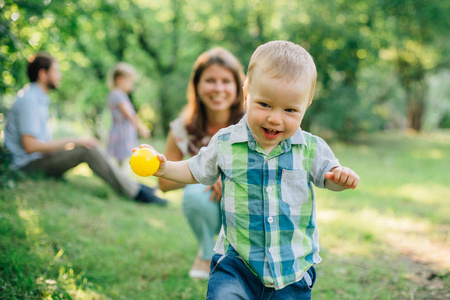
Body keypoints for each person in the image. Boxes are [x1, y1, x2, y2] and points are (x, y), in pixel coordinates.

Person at [137, 40, 360, 299]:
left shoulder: (311, 148)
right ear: (246, 95)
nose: (275, 118)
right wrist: (163, 166)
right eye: (264, 105)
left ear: (306, 103)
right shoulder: (226, 143)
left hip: (291, 268)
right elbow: (194, 170)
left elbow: (328, 176)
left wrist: (339, 178)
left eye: (290, 110)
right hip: (237, 264)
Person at [4, 52, 167, 206]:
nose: (60, 75)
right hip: (27, 166)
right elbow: (31, 146)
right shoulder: (29, 100)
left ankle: (134, 186)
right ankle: (136, 192)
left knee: (88, 144)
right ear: (42, 74)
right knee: (86, 150)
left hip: (37, 159)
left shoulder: (38, 98)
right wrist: (74, 141)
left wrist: (77, 142)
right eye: (56, 71)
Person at [158, 47, 245, 279]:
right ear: (197, 86)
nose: (218, 88)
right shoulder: (182, 129)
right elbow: (164, 184)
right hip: (208, 199)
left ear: (238, 87)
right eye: (210, 80)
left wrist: (226, 176)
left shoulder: (253, 124)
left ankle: (245, 256)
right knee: (195, 194)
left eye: (226, 81)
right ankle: (207, 254)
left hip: (249, 201)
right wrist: (207, 173)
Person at [106, 62, 150, 166]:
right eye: (130, 81)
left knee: (121, 161)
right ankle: (123, 180)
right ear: (119, 80)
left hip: (120, 131)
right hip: (122, 133)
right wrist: (141, 128)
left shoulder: (117, 94)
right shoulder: (118, 95)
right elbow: (130, 115)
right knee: (125, 160)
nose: (132, 85)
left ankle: (120, 179)